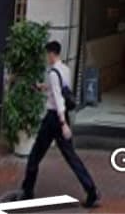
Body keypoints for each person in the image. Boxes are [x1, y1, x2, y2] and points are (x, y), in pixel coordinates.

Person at [19, 41, 100, 209]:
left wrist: (63, 123)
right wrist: (43, 87)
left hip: (53, 119)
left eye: (46, 54)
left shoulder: (53, 73)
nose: (46, 57)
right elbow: (61, 90)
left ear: (51, 54)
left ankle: (27, 191)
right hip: (61, 119)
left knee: (35, 155)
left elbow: (58, 99)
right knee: (71, 157)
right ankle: (91, 189)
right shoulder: (65, 70)